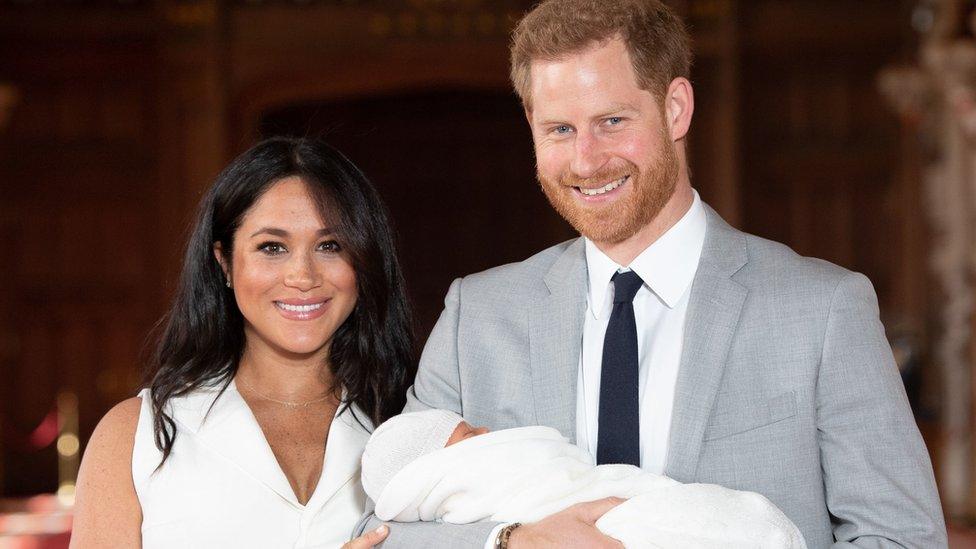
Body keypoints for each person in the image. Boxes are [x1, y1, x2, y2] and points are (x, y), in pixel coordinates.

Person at [356, 0, 947, 547]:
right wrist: (509, 541)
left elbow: (901, 537)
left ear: (676, 108)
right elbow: (382, 530)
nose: (586, 160)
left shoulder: (823, 310)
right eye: (559, 129)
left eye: (612, 121)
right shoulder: (476, 317)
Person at [70, 137, 413, 548]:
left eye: (330, 246)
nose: (302, 276)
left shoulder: (411, 426)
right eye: (272, 247)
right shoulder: (133, 436)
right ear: (225, 262)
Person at [360, 409, 807, 549]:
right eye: (474, 436)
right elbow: (381, 535)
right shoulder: (468, 308)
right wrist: (512, 540)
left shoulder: (829, 300)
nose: (489, 434)